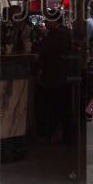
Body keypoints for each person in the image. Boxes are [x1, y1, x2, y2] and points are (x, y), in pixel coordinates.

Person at [37, 9, 73, 142]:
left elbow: (46, 50)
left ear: (55, 20)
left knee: (58, 106)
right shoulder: (58, 33)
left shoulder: (59, 34)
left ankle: (61, 135)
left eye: (48, 20)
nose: (46, 22)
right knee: (59, 106)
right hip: (57, 75)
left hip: (57, 76)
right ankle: (61, 134)